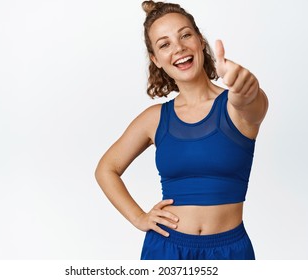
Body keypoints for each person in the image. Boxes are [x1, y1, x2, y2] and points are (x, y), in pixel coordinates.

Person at [95, 0, 268, 260]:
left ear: (200, 40)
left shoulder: (234, 106)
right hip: (165, 249)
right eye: (164, 44)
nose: (179, 48)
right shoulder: (154, 119)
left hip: (228, 251)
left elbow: (252, 102)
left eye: (185, 35)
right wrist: (139, 217)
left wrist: (246, 86)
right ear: (156, 59)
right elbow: (106, 169)